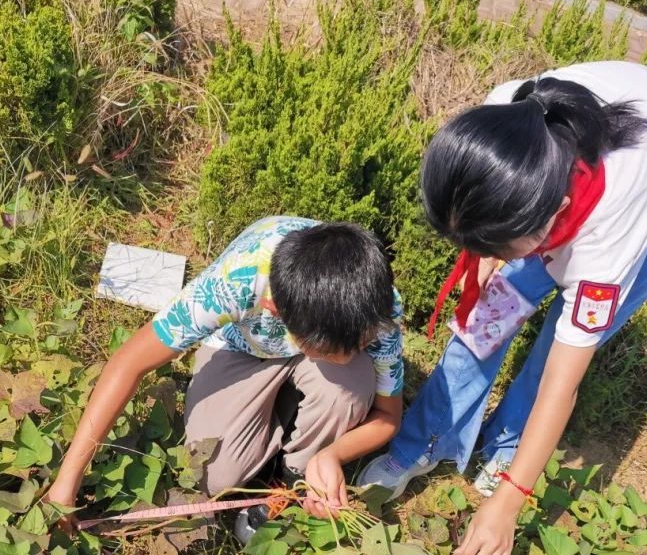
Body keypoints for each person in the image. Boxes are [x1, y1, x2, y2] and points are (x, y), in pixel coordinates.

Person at [359, 60, 647, 555]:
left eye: (496, 247)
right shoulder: (507, 120)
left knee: (554, 356)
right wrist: (483, 265)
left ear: (548, 217)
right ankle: (427, 438)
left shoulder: (608, 247)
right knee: (484, 325)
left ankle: (506, 450)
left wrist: (510, 502)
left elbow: (560, 387)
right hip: (545, 203)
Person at [46, 216, 404, 521]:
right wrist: (67, 482)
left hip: (311, 336)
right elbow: (128, 363)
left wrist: (332, 454)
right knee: (214, 475)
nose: (359, 350)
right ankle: (280, 410)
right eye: (336, 350)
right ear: (278, 313)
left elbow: (388, 415)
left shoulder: (377, 309)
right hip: (241, 347)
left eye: (361, 345)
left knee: (349, 392)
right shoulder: (236, 283)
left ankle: (295, 473)